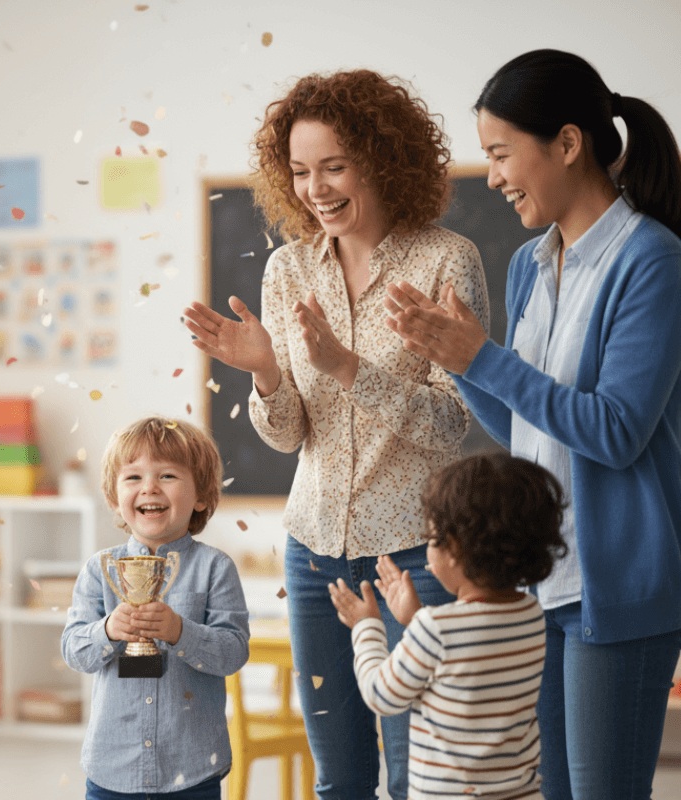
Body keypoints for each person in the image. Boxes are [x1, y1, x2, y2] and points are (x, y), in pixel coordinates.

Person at [182, 69, 490, 798]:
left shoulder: (448, 260)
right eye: (299, 171)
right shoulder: (289, 271)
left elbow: (453, 425)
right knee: (339, 780)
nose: (315, 188)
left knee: (420, 779)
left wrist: (350, 369)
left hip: (418, 559)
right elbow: (288, 437)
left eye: (334, 167)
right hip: (315, 555)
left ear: (382, 159)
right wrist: (264, 374)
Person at [384, 49, 681, 799]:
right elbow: (520, 423)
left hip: (616, 585)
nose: (491, 177)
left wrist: (480, 356)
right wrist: (453, 359)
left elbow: (616, 430)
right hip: (536, 579)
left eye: (500, 154)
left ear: (568, 143)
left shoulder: (653, 260)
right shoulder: (526, 265)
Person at [329, 452, 567, 800]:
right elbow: (468, 656)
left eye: (432, 537)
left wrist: (366, 628)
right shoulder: (530, 614)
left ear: (453, 548)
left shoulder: (436, 629)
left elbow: (381, 694)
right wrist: (415, 618)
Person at [61, 417, 249, 800]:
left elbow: (233, 653)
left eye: (167, 476)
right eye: (133, 478)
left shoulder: (216, 568)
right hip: (112, 770)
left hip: (193, 770)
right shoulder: (99, 570)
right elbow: (74, 650)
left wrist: (182, 632)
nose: (149, 487)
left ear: (200, 496)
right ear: (115, 498)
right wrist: (109, 630)